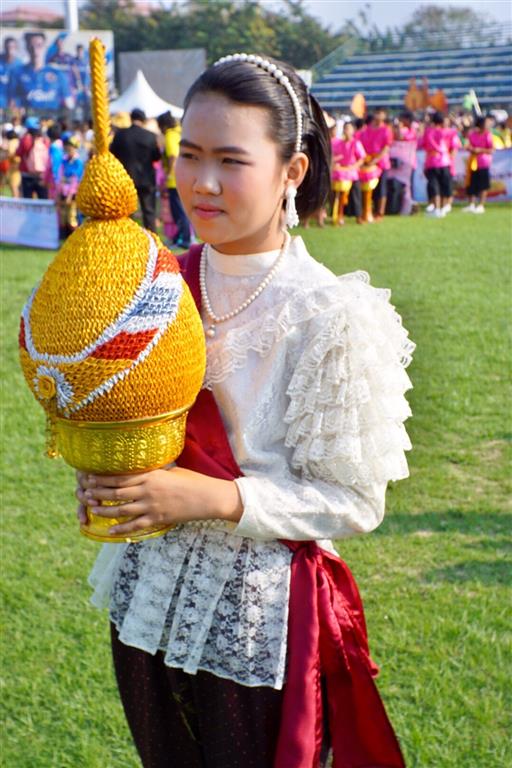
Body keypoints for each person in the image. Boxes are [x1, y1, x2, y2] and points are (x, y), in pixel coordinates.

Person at [78, 53, 413, 768]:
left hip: (257, 627)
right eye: (190, 154)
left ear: (292, 171)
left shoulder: (331, 312)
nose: (202, 182)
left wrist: (213, 497)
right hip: (144, 599)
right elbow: (126, 417)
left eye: (231, 160)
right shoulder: (154, 283)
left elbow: (355, 500)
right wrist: (106, 474)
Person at [111, 107, 161, 232]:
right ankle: (152, 237)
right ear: (143, 120)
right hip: (146, 178)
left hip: (126, 178)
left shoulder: (120, 135)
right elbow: (156, 156)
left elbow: (112, 154)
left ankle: (126, 236)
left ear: (131, 118)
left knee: (126, 212)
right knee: (149, 211)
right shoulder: (150, 136)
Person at [8, 32, 74, 112]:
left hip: (52, 118)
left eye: (39, 45)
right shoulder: (17, 73)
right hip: (28, 118)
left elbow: (69, 104)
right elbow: (12, 104)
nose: (35, 50)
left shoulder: (58, 74)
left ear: (45, 47)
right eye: (31, 46)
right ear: (27, 48)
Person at [157, 110, 192, 248]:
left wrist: (169, 175)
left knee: (178, 210)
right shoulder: (179, 133)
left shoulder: (170, 135)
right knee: (180, 209)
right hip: (183, 176)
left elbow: (173, 155)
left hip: (174, 180)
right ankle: (180, 237)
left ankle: (185, 239)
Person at [358, 107, 392, 221]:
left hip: (381, 163)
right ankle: (367, 211)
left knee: (381, 188)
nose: (378, 116)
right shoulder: (366, 129)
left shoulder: (386, 130)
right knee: (367, 188)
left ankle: (380, 212)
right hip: (367, 162)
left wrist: (375, 160)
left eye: (381, 114)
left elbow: (386, 147)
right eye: (377, 113)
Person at [331, 119, 365, 225]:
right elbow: (335, 156)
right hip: (341, 171)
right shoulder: (339, 143)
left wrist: (354, 166)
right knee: (339, 193)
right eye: (345, 128)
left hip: (352, 171)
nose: (346, 131)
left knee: (355, 193)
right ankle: (339, 215)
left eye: (348, 128)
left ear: (353, 130)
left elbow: (361, 158)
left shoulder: (356, 143)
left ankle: (358, 216)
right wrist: (336, 163)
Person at [420, 111, 451, 219]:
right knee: (443, 185)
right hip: (444, 160)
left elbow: (423, 144)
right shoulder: (446, 131)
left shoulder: (428, 131)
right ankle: (443, 207)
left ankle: (436, 208)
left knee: (434, 186)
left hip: (432, 161)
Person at [463, 115, 494, 214]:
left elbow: (491, 149)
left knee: (483, 185)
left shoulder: (488, 135)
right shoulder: (472, 134)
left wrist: (480, 150)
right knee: (472, 184)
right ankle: (471, 204)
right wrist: (471, 148)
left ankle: (481, 205)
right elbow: (467, 145)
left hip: (484, 163)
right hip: (473, 162)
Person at [57, 135, 84, 235]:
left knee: (72, 215)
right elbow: (60, 176)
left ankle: (74, 236)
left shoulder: (78, 162)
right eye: (67, 146)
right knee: (62, 215)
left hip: (73, 194)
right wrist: (58, 192)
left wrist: (70, 195)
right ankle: (63, 236)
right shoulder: (64, 161)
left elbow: (75, 179)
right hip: (63, 191)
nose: (68, 149)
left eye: (71, 147)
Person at [16, 117, 49, 199]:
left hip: (27, 174)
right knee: (43, 199)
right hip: (42, 174)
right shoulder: (44, 140)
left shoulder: (25, 139)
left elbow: (19, 153)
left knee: (27, 200)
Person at [443, 116, 462, 215]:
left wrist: (448, 158)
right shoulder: (438, 132)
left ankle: (448, 204)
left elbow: (454, 149)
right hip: (439, 162)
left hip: (447, 162)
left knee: (448, 184)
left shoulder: (452, 134)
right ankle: (442, 204)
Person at [0, 36, 22, 109]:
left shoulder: (19, 64)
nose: (10, 50)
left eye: (12, 47)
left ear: (16, 48)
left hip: (13, 97)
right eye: (8, 47)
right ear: (4, 47)